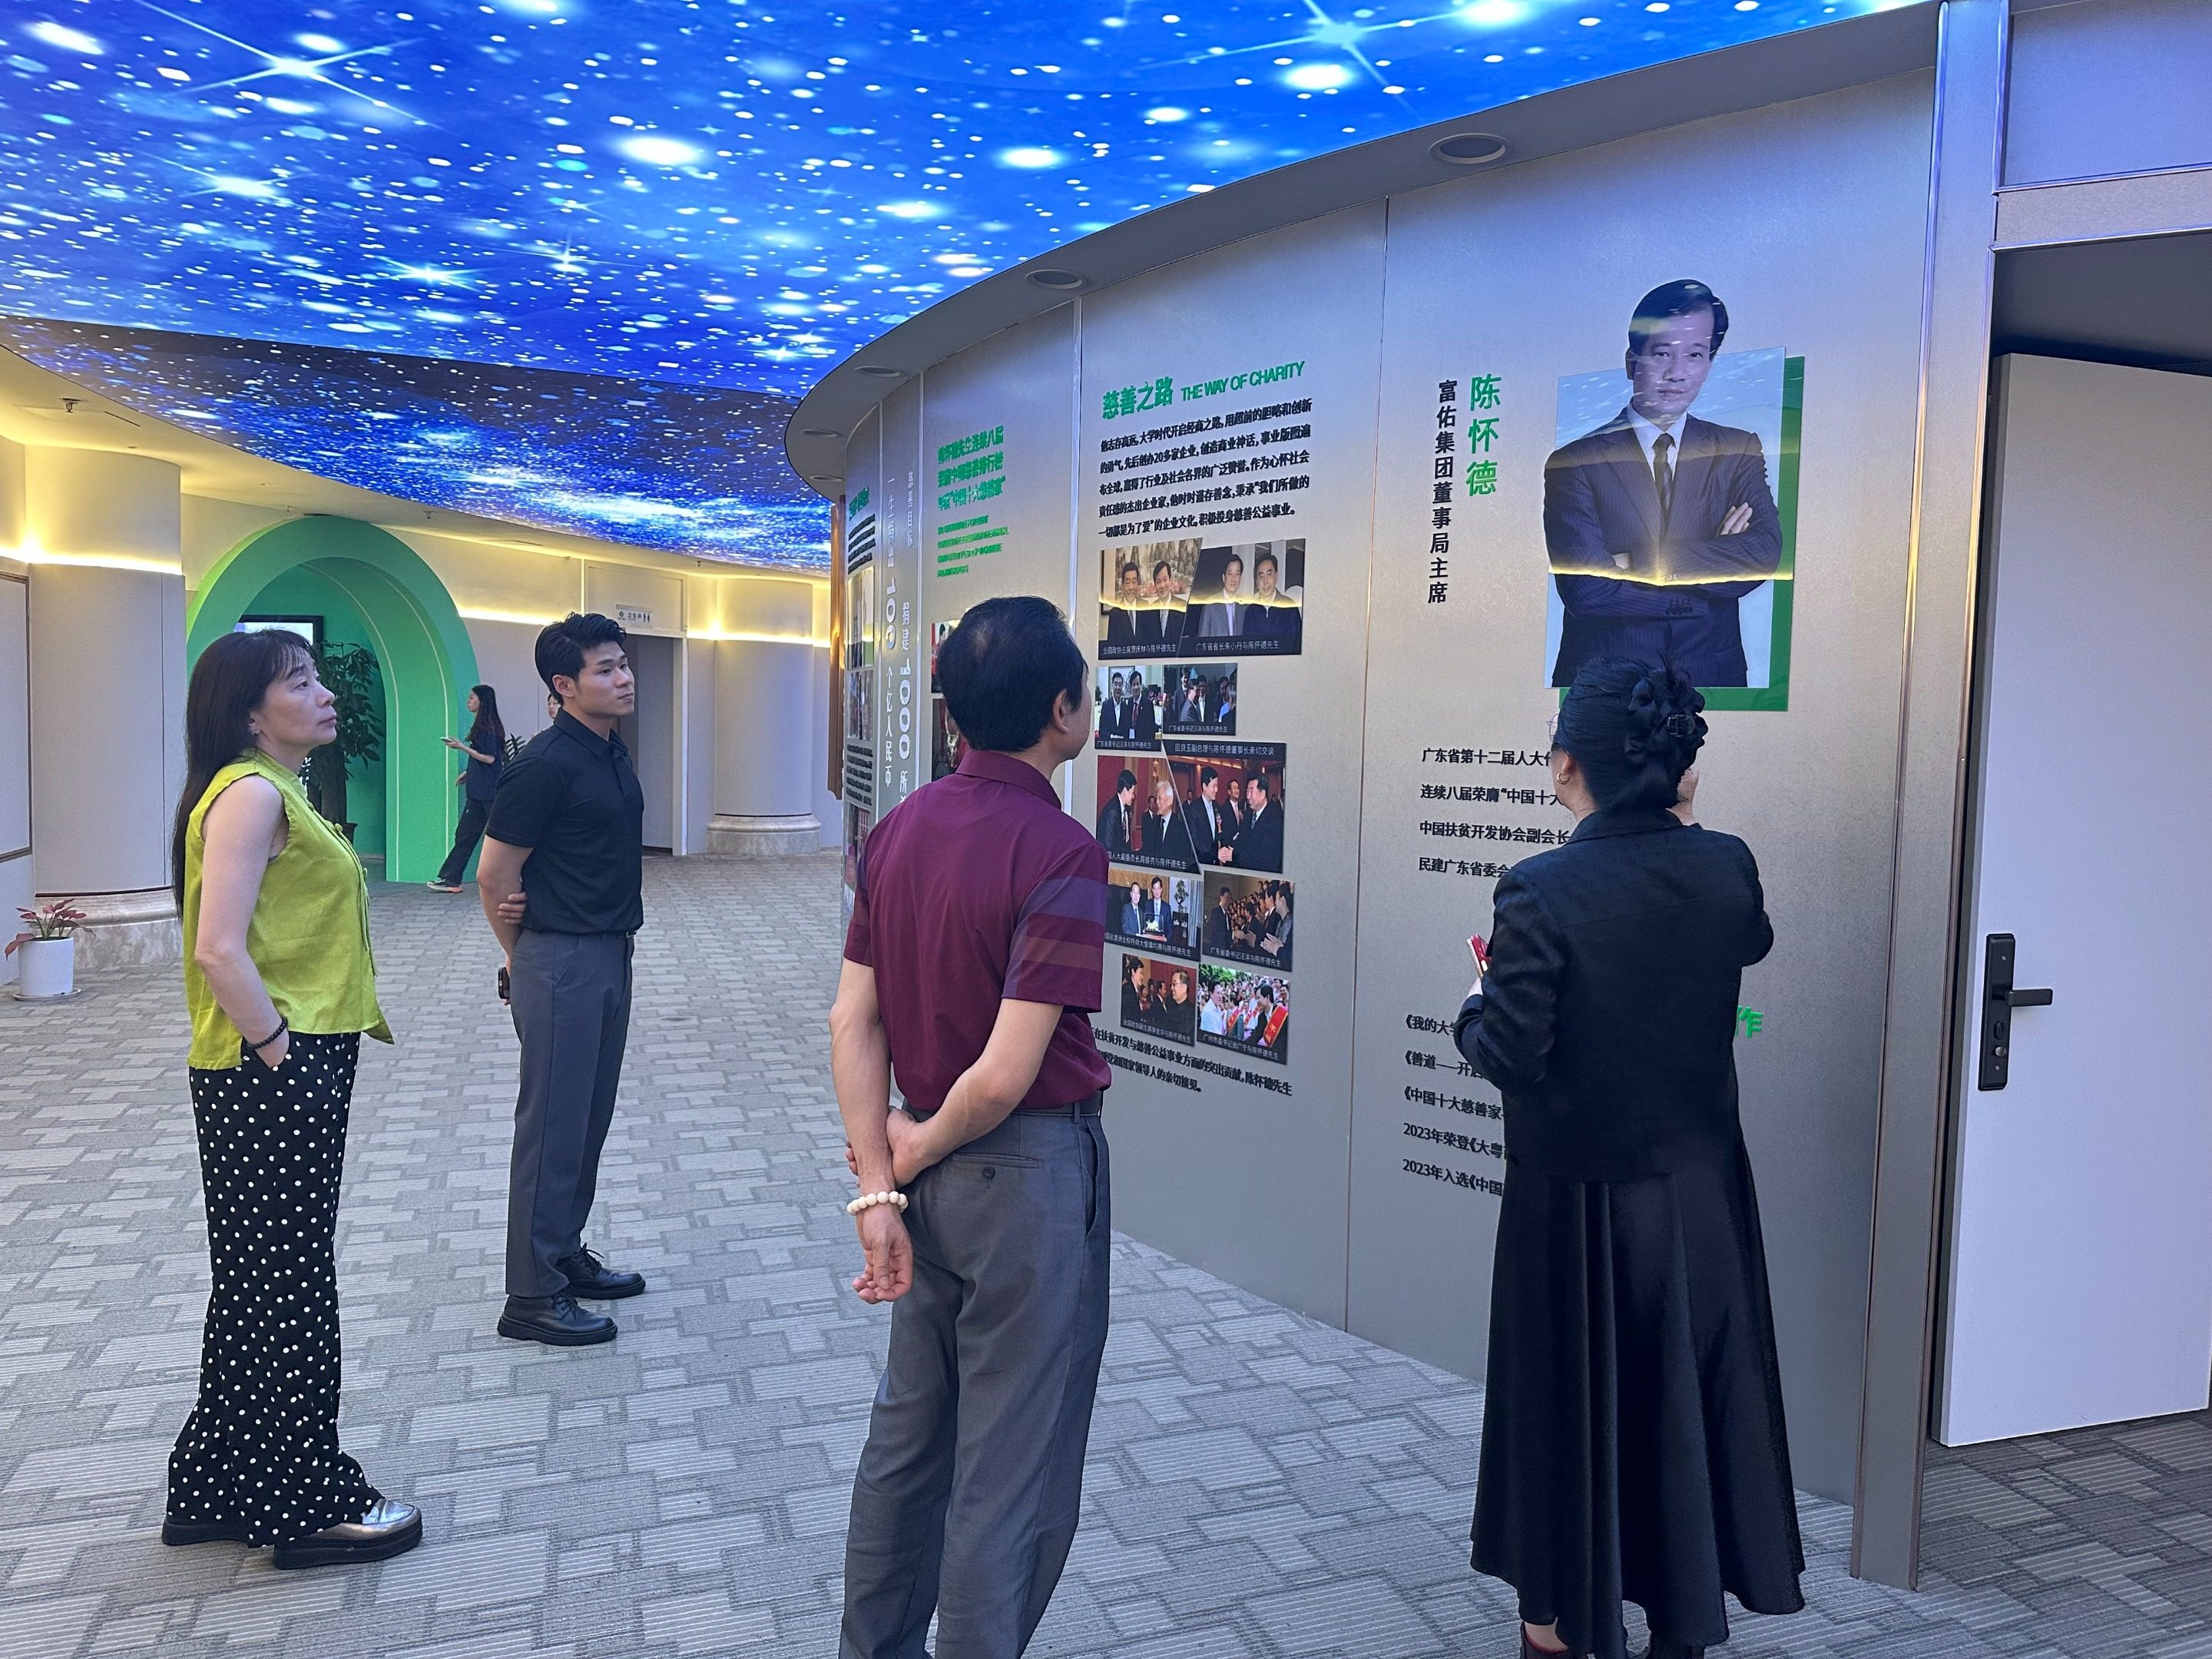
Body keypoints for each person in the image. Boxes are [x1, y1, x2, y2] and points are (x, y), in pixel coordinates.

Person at [1452, 657, 1802, 1659]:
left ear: (1568, 766)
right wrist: (1680, 815)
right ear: (1681, 764)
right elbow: (1750, 939)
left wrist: (1471, 1006)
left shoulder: (1539, 889)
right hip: (1701, 1199)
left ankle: (1558, 1630)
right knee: (1684, 1412)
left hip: (1574, 1211)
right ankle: (1679, 1623)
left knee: (1568, 1421)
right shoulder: (1726, 866)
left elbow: (1512, 1052)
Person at [832, 594, 1113, 1659]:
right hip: (1023, 1177)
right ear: (1061, 711)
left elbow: (852, 1018)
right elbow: (1002, 1077)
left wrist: (882, 1180)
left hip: (921, 1173)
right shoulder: (1062, 851)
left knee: (907, 1446)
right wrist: (910, 1149)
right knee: (1011, 1469)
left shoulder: (898, 829)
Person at [166, 629, 419, 1568]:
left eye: (317, 678)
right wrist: (281, 1052)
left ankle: (213, 1485)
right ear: (249, 714)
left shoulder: (269, 787)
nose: (324, 694)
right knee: (289, 1289)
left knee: (257, 1283)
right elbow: (218, 948)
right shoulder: (252, 794)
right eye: (300, 682)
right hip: (270, 1061)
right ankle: (304, 1503)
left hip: (271, 1059)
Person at [475, 613, 649, 1347]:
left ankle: (563, 1252)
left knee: (587, 1118)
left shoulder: (609, 751)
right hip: (561, 959)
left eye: (623, 664)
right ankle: (531, 1293)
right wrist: (521, 956)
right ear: (564, 685)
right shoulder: (543, 765)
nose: (624, 677)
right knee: (550, 1127)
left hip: (609, 952)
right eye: (606, 669)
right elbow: (494, 875)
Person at [1544, 280, 1783, 690]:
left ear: (1709, 363)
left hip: (1712, 678)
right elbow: (1587, 591)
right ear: (1632, 362)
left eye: (1695, 354)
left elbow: (1762, 555)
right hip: (1607, 688)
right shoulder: (1575, 461)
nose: (1678, 373)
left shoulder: (1737, 448)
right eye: (1662, 353)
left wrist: (1634, 561)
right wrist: (1709, 575)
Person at [429, 683, 506, 892]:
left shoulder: (487, 729)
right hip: (478, 792)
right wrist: (469, 772)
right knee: (465, 835)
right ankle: (450, 879)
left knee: (500, 835)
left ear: (482, 701)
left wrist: (461, 747)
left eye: (472, 698)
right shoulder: (484, 727)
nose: (468, 701)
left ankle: (515, 878)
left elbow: (490, 758)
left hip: (487, 793)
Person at [1243, 549, 1303, 649]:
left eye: (1269, 574)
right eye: (1261, 576)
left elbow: (1296, 647)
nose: (1265, 581)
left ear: (1276, 576)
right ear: (1257, 583)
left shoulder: (1290, 608)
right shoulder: (1251, 611)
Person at [1227, 773, 1284, 872]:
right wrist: (1228, 849)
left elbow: (1265, 860)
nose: (1248, 796)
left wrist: (1233, 855)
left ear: (1263, 794)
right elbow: (1242, 839)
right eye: (1247, 791)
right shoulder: (1249, 813)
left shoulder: (1275, 819)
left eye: (1251, 791)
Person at [1184, 766, 1239, 866]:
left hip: (1215, 863)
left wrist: (1226, 849)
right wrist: (1215, 854)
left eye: (1217, 786)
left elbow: (1221, 833)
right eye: (1214, 786)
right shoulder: (1194, 809)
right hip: (1200, 863)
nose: (1216, 790)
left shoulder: (1217, 807)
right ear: (1204, 786)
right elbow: (1195, 841)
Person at [1142, 773, 1197, 869]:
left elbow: (1183, 860)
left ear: (1170, 800)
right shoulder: (1153, 823)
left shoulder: (1181, 829)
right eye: (1156, 798)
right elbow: (1147, 850)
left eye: (1160, 798)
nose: (1157, 802)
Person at [1102, 562, 1161, 649]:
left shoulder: (1145, 607)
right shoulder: (1115, 614)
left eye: (1134, 582)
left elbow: (1153, 640)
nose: (1131, 587)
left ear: (1138, 584)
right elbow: (1112, 647)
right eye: (1127, 583)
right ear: (1122, 586)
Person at [1190, 552, 1248, 638]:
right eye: (1230, 574)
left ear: (1240, 578)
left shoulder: (1244, 607)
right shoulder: (1211, 604)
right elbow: (1202, 638)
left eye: (1237, 574)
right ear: (1224, 577)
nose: (1233, 579)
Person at [1097, 768, 1137, 856]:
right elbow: (1109, 846)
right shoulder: (1112, 812)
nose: (1133, 796)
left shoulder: (1126, 809)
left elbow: (1126, 841)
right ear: (1125, 791)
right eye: (1132, 792)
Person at [1258, 885, 1293, 969]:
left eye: (1277, 899)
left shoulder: (1291, 923)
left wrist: (1279, 950)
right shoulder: (1280, 923)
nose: (1275, 902)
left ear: (1283, 900)